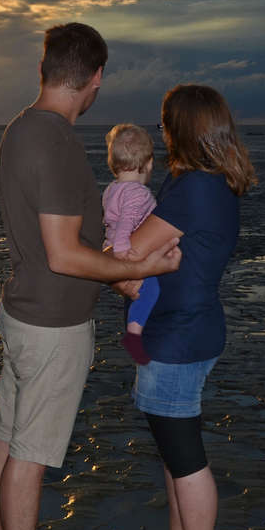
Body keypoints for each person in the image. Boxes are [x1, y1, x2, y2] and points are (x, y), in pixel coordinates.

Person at [0, 23, 182, 530]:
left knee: (9, 435)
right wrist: (135, 270)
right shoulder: (55, 142)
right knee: (31, 450)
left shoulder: (20, 129)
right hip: (51, 324)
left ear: (45, 69)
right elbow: (63, 253)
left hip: (22, 310)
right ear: (95, 79)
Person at [117, 84, 256, 530]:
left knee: (185, 453)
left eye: (164, 121)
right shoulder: (200, 183)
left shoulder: (197, 187)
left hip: (180, 335)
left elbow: (129, 255)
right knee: (173, 450)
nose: (161, 130)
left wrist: (120, 266)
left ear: (182, 129)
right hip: (181, 329)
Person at [101, 123, 159, 365]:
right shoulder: (139, 193)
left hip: (112, 246)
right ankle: (134, 335)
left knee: (138, 294)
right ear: (148, 163)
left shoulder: (112, 189)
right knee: (151, 290)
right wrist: (125, 257)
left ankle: (136, 330)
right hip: (129, 252)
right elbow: (125, 224)